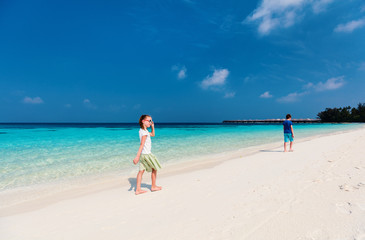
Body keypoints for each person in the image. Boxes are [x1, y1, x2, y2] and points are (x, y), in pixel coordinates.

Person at [133, 115, 162, 195]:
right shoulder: (144, 133)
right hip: (147, 155)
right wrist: (137, 156)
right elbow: (142, 144)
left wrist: (152, 127)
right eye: (149, 121)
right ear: (143, 121)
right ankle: (153, 186)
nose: (150, 122)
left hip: (143, 155)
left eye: (151, 121)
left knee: (141, 171)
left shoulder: (142, 131)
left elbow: (152, 134)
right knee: (154, 168)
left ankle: (138, 189)